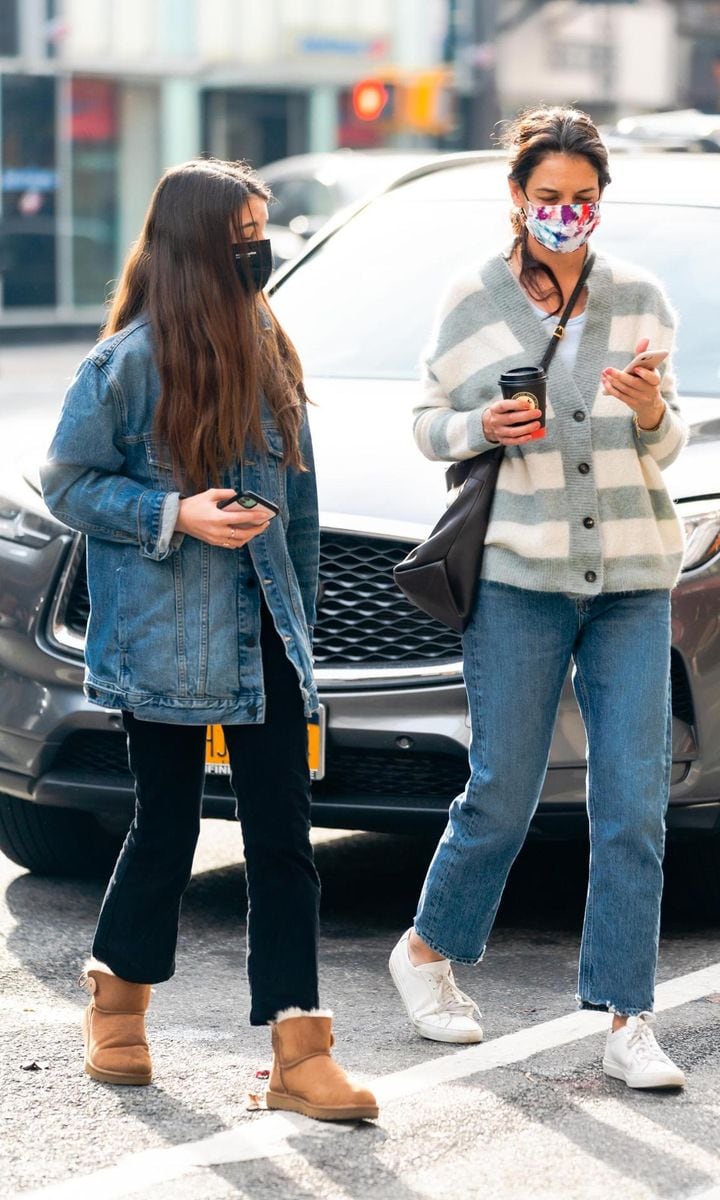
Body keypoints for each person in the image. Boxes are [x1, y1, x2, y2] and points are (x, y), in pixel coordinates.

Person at [41, 157, 378, 1122]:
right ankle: (118, 1005)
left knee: (285, 839)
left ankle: (299, 1053)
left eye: (262, 234)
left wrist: (306, 635)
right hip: (167, 641)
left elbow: (301, 508)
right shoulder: (126, 364)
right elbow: (65, 483)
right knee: (169, 827)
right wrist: (172, 515)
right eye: (241, 238)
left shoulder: (270, 344)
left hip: (267, 629)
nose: (258, 253)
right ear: (195, 246)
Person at [389, 106, 687, 1090]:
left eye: (585, 201)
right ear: (517, 197)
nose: (567, 214)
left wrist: (651, 414)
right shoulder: (470, 300)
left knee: (633, 804)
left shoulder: (640, 295)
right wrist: (482, 422)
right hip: (520, 579)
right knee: (504, 793)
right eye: (550, 198)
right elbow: (428, 425)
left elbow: (668, 438)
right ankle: (429, 951)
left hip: (635, 580)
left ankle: (626, 1017)